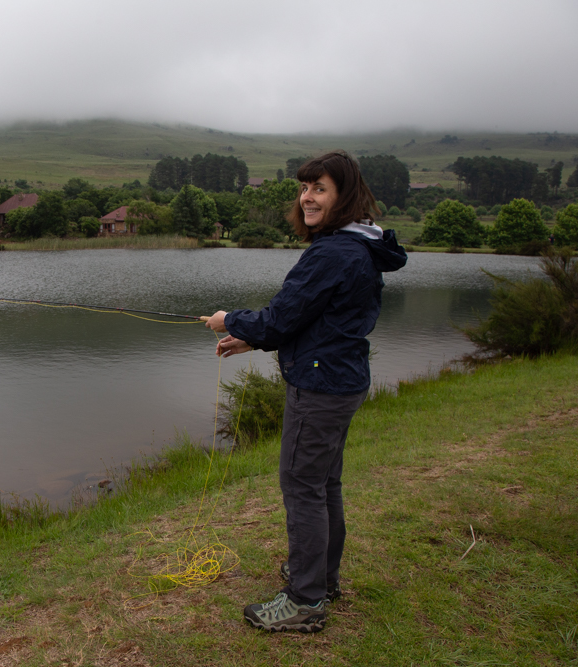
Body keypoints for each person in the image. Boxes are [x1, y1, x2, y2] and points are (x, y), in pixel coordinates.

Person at [205, 151, 407, 633]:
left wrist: (229, 320)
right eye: (304, 188)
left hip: (320, 386)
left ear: (344, 195)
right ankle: (321, 579)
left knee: (302, 487)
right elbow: (310, 319)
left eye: (319, 188)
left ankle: (305, 601)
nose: (308, 197)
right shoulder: (354, 245)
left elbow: (280, 318)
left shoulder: (334, 252)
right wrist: (251, 337)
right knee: (322, 485)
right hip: (340, 380)